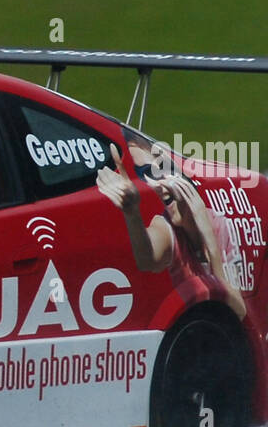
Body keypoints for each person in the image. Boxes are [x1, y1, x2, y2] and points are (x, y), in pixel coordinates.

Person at [96, 135, 247, 320]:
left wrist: (209, 239)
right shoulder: (166, 226)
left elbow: (238, 311)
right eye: (145, 174)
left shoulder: (218, 223)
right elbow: (147, 259)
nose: (156, 184)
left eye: (160, 170)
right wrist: (132, 213)